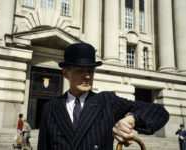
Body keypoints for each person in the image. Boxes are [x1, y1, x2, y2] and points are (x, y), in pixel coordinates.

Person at [37, 43, 169, 150]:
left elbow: (159, 112)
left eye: (90, 70)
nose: (87, 75)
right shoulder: (50, 107)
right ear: (66, 73)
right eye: (80, 70)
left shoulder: (107, 101)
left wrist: (133, 118)